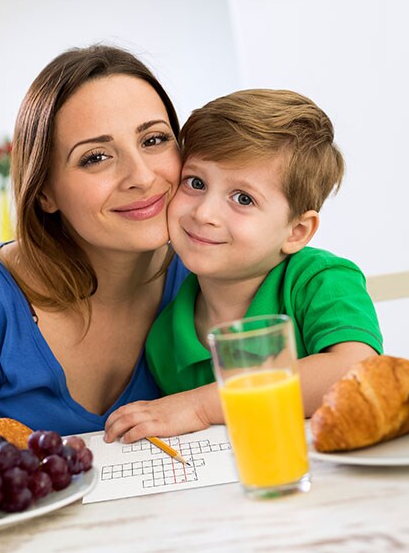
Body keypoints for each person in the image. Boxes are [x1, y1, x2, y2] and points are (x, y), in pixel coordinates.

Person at [0, 44, 189, 438]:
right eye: (96, 157)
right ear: (45, 192)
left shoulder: (211, 266)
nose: (141, 176)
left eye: (154, 140)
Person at [104, 88, 383, 443]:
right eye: (196, 183)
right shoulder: (165, 338)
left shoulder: (319, 280)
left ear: (296, 231)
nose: (204, 213)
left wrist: (202, 406)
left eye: (243, 198)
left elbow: (355, 373)